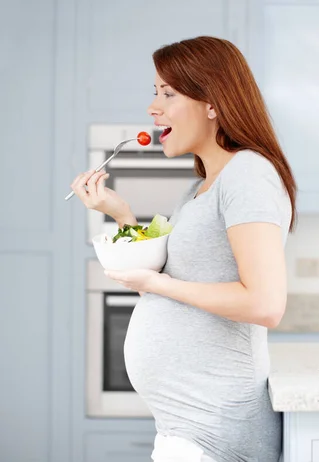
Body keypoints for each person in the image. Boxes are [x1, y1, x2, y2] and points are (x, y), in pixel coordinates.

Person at [70, 36, 297, 462]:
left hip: (216, 433)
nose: (153, 108)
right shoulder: (199, 189)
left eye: (168, 93)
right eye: (154, 93)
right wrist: (120, 215)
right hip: (187, 430)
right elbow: (167, 289)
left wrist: (159, 283)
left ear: (212, 103)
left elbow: (265, 304)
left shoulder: (248, 174)